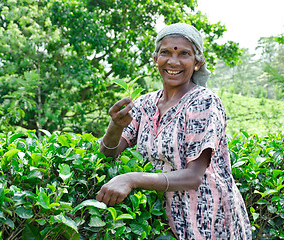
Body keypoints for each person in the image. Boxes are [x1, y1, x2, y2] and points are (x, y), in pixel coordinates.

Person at [96, 23, 252, 239]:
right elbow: (108, 155)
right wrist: (115, 125)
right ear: (155, 59)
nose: (173, 61)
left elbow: (194, 176)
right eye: (165, 52)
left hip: (208, 221)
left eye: (184, 54)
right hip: (166, 222)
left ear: (197, 63)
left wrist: (132, 179)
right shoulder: (145, 104)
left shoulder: (203, 102)